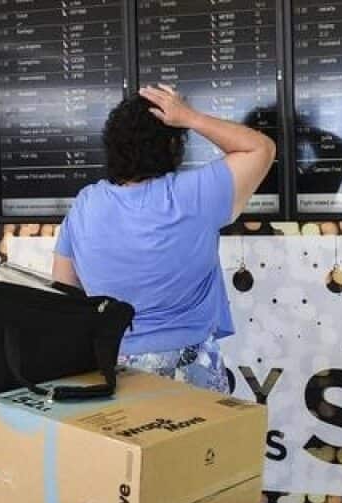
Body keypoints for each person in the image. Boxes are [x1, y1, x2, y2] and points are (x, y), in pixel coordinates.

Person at [53, 85, 275, 392]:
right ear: (172, 145)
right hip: (191, 367)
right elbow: (259, 148)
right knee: (203, 442)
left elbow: (63, 290)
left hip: (113, 367)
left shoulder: (85, 204)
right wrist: (190, 117)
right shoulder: (194, 194)